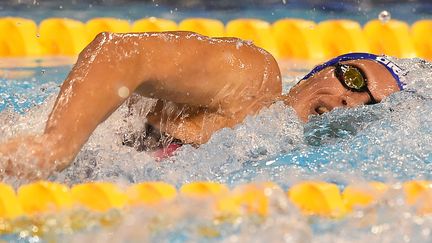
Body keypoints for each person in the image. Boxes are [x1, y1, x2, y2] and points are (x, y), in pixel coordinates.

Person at [0, 31, 407, 180]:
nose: (347, 100)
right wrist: (55, 146)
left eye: (367, 105)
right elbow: (121, 53)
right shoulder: (254, 78)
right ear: (321, 70)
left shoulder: (281, 166)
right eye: (352, 78)